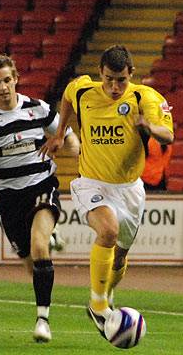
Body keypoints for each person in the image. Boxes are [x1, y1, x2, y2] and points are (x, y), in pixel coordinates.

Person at [40, 45, 174, 337]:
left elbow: (169, 134)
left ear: (131, 75)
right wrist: (61, 133)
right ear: (100, 72)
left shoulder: (144, 98)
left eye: (121, 80)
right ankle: (97, 305)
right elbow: (66, 97)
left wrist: (150, 127)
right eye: (109, 79)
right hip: (91, 181)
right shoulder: (83, 90)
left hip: (129, 189)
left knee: (121, 256)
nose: (114, 87)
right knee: (108, 232)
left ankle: (107, 292)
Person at [0, 53, 80, 342]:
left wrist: (71, 145)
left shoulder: (37, 109)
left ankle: (43, 320)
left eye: (7, 80)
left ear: (16, 79)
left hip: (41, 185)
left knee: (39, 247)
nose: (3, 87)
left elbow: (67, 133)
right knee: (29, 262)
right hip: (9, 199)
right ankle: (49, 239)